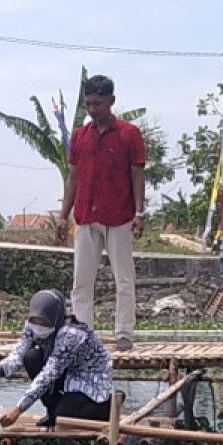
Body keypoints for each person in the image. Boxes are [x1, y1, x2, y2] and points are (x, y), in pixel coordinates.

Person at [56, 74, 146, 353]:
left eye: (98, 103)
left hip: (119, 215)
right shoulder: (80, 136)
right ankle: (83, 332)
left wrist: (140, 213)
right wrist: (63, 214)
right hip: (85, 215)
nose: (93, 109)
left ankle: (124, 334)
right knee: (81, 280)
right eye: (89, 104)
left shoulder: (129, 134)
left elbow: (137, 175)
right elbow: (73, 177)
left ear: (111, 101)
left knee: (124, 278)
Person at [0, 289, 114, 428]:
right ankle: (52, 410)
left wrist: (19, 408)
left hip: (86, 378)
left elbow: (49, 374)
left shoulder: (71, 334)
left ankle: (106, 405)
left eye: (43, 323)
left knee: (64, 417)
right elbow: (19, 353)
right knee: (31, 357)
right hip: (63, 373)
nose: (38, 327)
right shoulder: (31, 324)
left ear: (55, 318)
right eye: (35, 321)